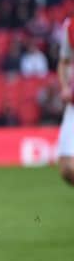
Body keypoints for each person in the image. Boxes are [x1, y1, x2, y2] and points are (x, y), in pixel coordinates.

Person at [56, 17, 74, 185]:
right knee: (67, 167)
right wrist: (64, 87)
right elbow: (64, 61)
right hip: (73, 104)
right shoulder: (70, 26)